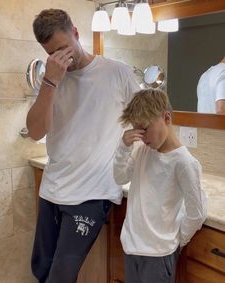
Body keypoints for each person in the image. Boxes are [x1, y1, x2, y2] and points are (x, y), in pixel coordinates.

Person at [26, 8, 140, 283]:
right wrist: (51, 81)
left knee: (60, 278)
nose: (62, 58)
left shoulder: (117, 73)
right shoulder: (52, 79)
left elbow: (148, 117)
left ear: (76, 33)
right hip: (52, 190)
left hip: (91, 194)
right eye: (53, 53)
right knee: (41, 270)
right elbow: (35, 130)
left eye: (65, 47)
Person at [113, 89, 207, 283]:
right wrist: (123, 147)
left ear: (166, 118)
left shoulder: (184, 163)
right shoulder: (143, 150)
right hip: (132, 247)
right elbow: (120, 177)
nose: (141, 137)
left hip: (158, 254)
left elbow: (196, 212)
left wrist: (177, 241)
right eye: (136, 130)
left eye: (144, 129)